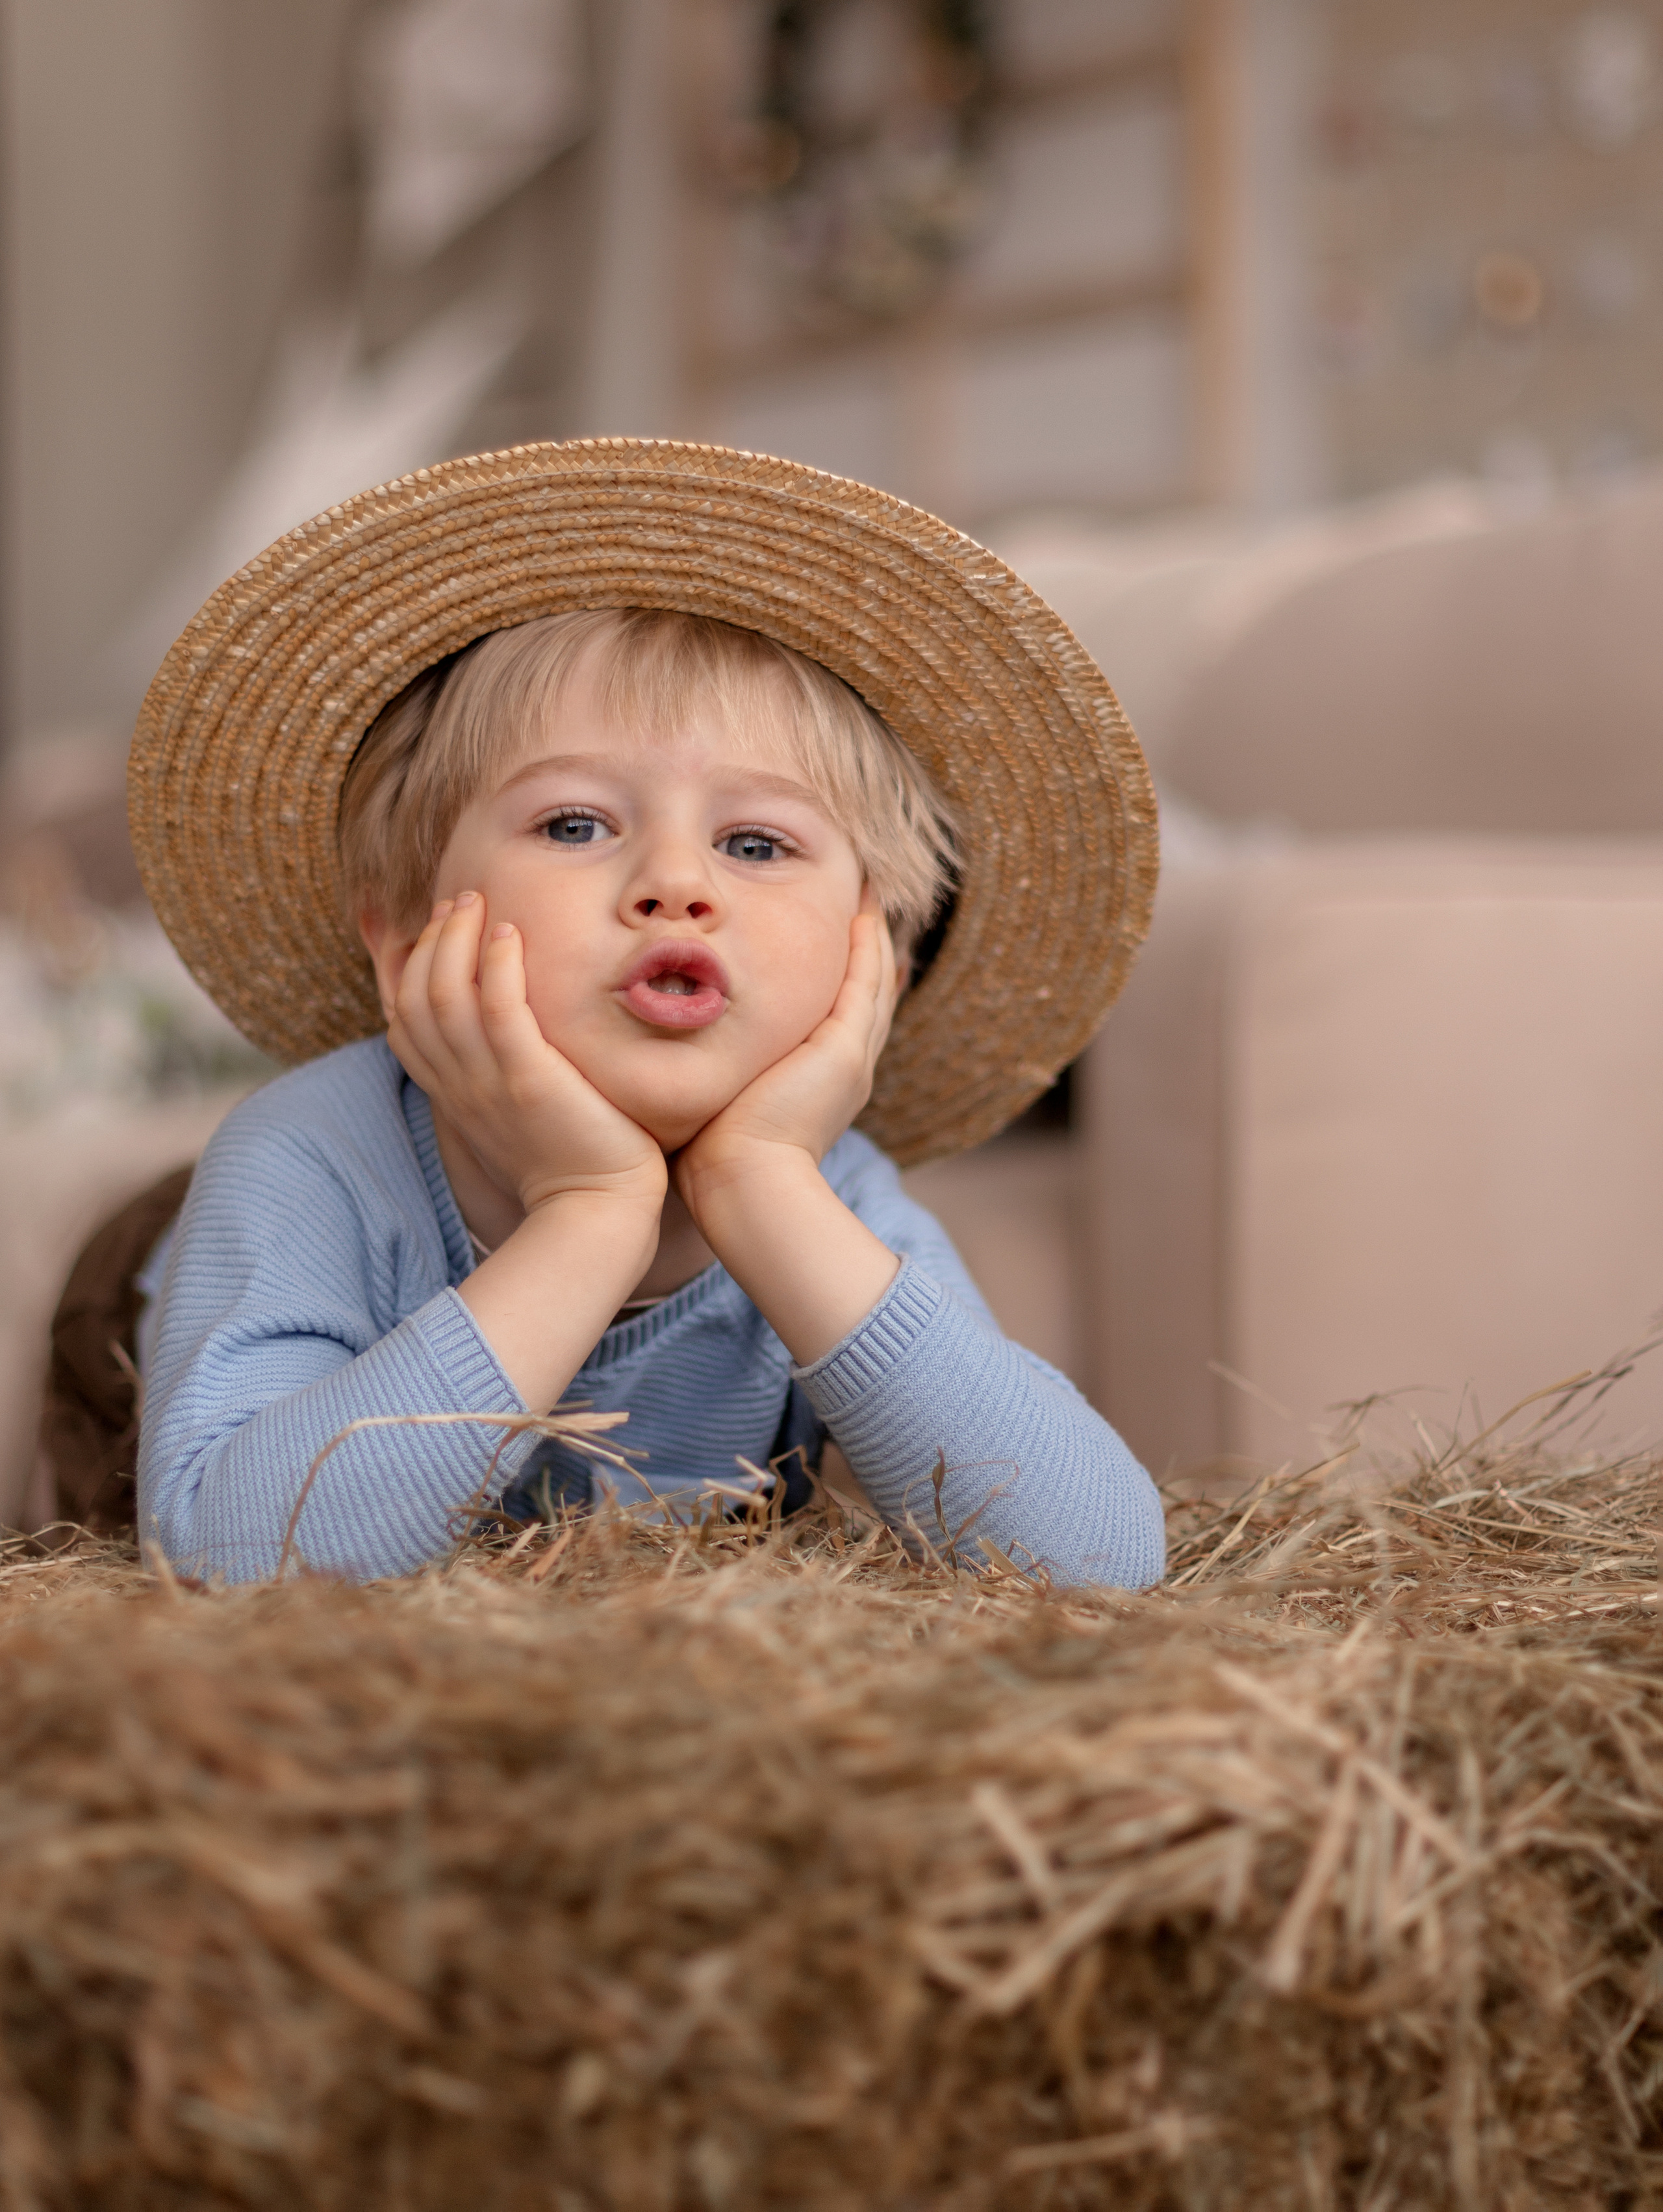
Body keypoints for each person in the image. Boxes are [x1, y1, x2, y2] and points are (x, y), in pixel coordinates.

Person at [125, 439, 1163, 1587]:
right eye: (574, 825)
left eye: (757, 843)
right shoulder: (308, 1157)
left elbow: (1099, 1561)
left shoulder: (838, 1192)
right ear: (407, 928)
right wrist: (588, 1213)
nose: (676, 882)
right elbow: (226, 1560)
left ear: (878, 968)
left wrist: (762, 1182)